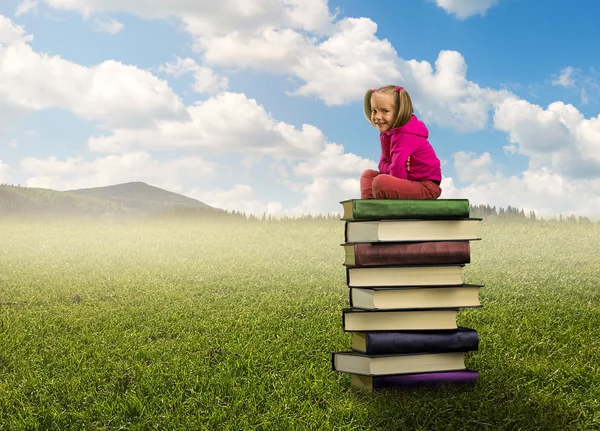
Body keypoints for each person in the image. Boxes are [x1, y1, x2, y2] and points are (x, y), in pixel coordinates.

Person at [360, 85, 442, 200]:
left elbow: (397, 174)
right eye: (374, 111)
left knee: (380, 183)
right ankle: (369, 207)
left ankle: (378, 206)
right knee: (368, 175)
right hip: (408, 181)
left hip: (426, 185)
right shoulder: (387, 134)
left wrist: (394, 166)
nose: (377, 117)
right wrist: (393, 165)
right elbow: (382, 165)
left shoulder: (405, 135)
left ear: (399, 112)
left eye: (385, 111)